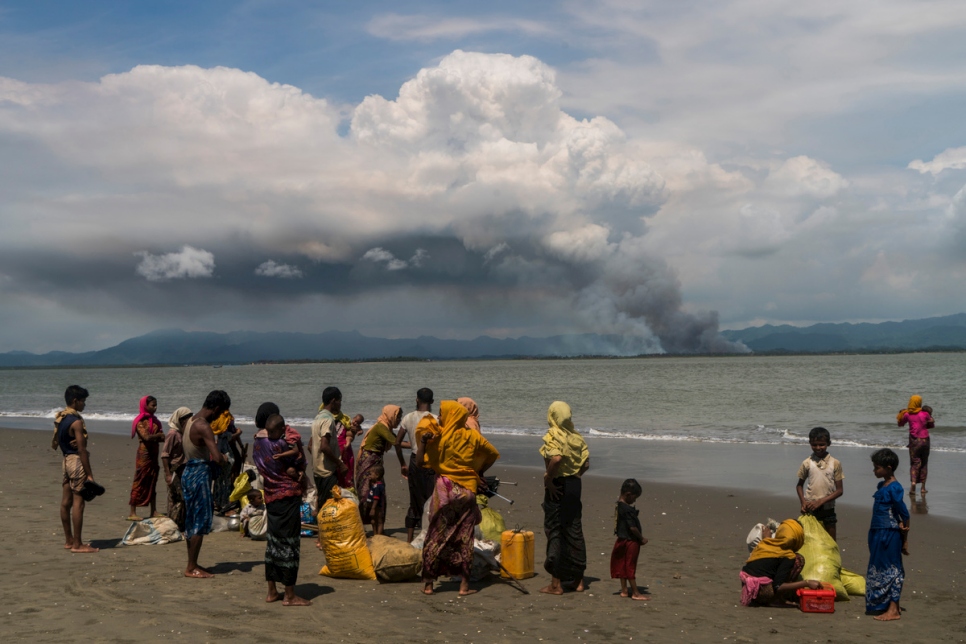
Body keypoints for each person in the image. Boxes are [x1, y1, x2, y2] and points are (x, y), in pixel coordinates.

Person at [416, 400, 500, 596]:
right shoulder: (472, 436)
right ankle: (463, 586)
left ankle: (428, 584)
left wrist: (423, 442)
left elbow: (420, 462)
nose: (439, 417)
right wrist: (476, 472)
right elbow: (492, 454)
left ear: (451, 416)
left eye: (442, 414)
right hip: (467, 492)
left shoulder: (440, 437)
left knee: (436, 536)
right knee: (465, 538)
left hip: (445, 490)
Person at [254, 413, 311, 606]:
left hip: (271, 496)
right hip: (287, 496)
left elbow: (261, 466)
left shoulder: (258, 444)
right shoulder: (281, 444)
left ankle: (272, 591)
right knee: (289, 544)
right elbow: (299, 462)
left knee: (273, 543)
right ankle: (289, 594)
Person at [539, 401, 590, 595]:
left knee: (555, 531)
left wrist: (549, 479)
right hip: (575, 485)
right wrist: (575, 476)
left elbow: (556, 458)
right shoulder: (576, 437)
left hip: (558, 485)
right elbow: (585, 464)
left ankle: (555, 584)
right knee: (574, 530)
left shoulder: (554, 435)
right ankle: (578, 581)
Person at [182, 390, 229, 578]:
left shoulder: (190, 421)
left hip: (189, 472)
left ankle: (192, 563)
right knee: (200, 522)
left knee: (191, 521)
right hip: (199, 474)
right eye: (221, 412)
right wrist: (225, 458)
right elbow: (216, 457)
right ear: (216, 408)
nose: (220, 416)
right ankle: (191, 567)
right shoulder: (203, 426)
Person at [867, 448, 911, 621]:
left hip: (889, 532)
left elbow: (904, 514)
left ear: (889, 467)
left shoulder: (895, 487)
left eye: (877, 467)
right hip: (877, 531)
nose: (874, 471)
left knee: (892, 569)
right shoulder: (881, 485)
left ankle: (893, 609)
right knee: (879, 568)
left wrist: (905, 540)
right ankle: (890, 604)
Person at [56, 385, 98, 553]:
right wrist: (89, 474)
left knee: (65, 502)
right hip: (76, 461)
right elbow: (81, 450)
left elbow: (60, 441)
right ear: (75, 401)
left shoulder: (61, 418)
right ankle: (78, 544)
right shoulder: (76, 422)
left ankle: (69, 540)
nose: (84, 405)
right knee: (78, 503)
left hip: (66, 460)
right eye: (83, 401)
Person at [740, 519, 820, 606]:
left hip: (748, 588)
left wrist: (766, 538)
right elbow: (778, 586)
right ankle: (777, 599)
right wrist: (806, 583)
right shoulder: (788, 556)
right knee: (799, 560)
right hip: (763, 593)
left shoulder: (765, 543)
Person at [395, 388, 436, 543]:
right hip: (431, 462)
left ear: (417, 400)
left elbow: (397, 443)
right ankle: (430, 537)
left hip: (414, 461)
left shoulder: (408, 418)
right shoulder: (436, 419)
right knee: (432, 500)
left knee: (414, 500)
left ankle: (410, 539)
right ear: (432, 401)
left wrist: (402, 463)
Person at [356, 404, 402, 528]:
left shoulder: (385, 427)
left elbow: (396, 440)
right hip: (370, 461)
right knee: (370, 491)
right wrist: (418, 445)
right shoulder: (381, 427)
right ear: (390, 416)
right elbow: (397, 442)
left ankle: (374, 523)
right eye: (398, 417)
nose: (399, 421)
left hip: (374, 460)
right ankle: (369, 523)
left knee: (373, 491)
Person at [795, 426, 844, 540]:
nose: (818, 448)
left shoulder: (835, 463)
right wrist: (803, 502)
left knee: (830, 542)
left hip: (828, 509)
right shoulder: (807, 463)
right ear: (810, 443)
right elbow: (799, 485)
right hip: (810, 509)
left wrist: (821, 501)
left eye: (822, 444)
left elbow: (839, 490)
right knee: (811, 541)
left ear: (828, 443)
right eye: (814, 445)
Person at [310, 387, 348, 511]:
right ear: (333, 401)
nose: (340, 404)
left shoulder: (317, 418)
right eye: (340, 400)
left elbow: (311, 445)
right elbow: (324, 446)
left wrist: (318, 458)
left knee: (322, 503)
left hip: (317, 470)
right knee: (330, 506)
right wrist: (339, 463)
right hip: (327, 472)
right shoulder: (328, 419)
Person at [128, 395, 165, 521]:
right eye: (152, 405)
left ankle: (153, 510)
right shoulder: (139, 421)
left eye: (156, 405)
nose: (155, 408)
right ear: (145, 405)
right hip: (144, 455)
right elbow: (146, 437)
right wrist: (158, 435)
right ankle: (132, 511)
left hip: (154, 454)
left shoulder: (155, 421)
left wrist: (157, 436)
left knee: (153, 480)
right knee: (140, 480)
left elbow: (161, 438)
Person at [611, 478, 648, 601]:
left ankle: (624, 590)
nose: (634, 500)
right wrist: (641, 538)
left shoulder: (619, 505)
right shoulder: (627, 509)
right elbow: (632, 527)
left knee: (622, 565)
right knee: (630, 566)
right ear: (628, 494)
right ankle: (636, 592)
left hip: (621, 539)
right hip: (631, 541)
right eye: (634, 497)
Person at [161, 406, 192, 531]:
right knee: (178, 498)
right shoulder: (173, 434)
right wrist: (168, 474)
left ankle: (180, 524)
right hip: (174, 469)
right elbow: (164, 455)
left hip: (182, 468)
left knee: (181, 498)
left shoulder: (182, 433)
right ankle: (175, 525)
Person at [897, 395, 934, 496]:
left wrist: (901, 413)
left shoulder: (907, 414)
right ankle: (923, 488)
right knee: (924, 463)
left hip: (914, 441)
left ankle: (913, 483)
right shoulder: (925, 414)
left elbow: (900, 424)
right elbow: (931, 425)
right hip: (925, 440)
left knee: (915, 462)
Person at [336, 414, 363, 489]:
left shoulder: (357, 427)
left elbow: (361, 430)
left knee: (349, 439)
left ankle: (347, 444)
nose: (356, 423)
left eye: (358, 423)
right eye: (355, 421)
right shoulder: (348, 422)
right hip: (345, 438)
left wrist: (360, 432)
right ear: (353, 418)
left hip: (350, 437)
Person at [365, 463, 387, 535]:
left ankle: (379, 536)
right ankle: (375, 534)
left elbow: (376, 498)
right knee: (373, 520)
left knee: (379, 521)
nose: (369, 475)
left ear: (377, 475)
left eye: (371, 474)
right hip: (372, 506)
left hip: (377, 507)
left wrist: (373, 508)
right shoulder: (374, 484)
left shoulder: (378, 486)